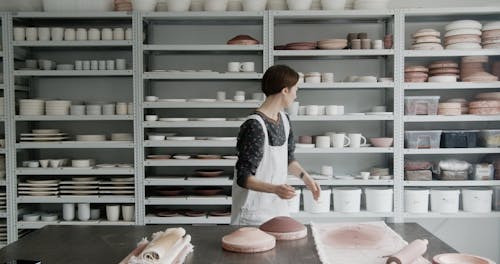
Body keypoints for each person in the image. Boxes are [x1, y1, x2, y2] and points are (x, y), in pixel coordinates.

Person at [231, 65, 321, 225]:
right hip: (252, 214)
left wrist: (307, 179)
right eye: (296, 89)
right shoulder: (255, 125)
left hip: (278, 211)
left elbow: (289, 160)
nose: (296, 95)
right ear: (285, 90)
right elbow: (243, 177)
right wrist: (276, 189)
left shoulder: (285, 120)